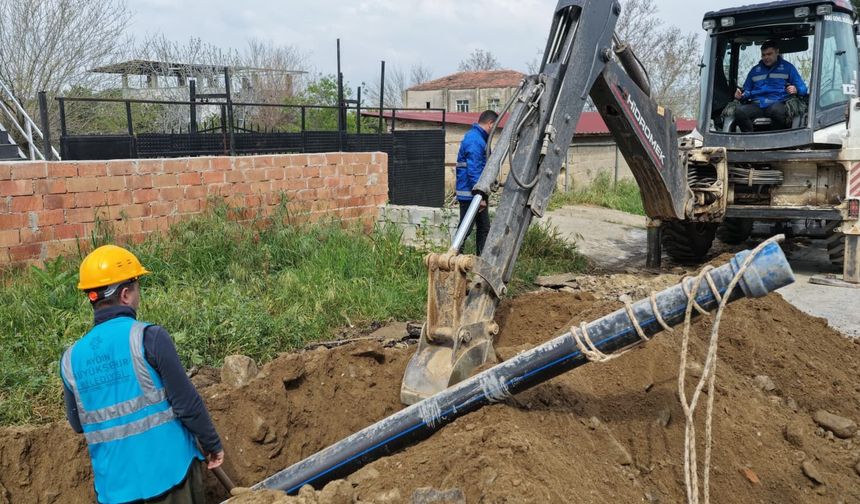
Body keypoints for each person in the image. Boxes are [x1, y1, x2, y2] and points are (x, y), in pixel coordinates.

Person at [60, 245, 224, 504]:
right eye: (137, 288)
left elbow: (78, 424)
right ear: (125, 294)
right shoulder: (148, 337)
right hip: (171, 479)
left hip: (115, 490)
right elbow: (186, 404)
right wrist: (212, 444)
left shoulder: (70, 359)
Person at [733, 40, 808, 131]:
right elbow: (747, 90)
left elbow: (803, 88)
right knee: (739, 111)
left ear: (777, 52)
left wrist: (796, 89)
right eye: (763, 55)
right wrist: (741, 95)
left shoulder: (788, 68)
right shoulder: (754, 70)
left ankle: (775, 139)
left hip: (777, 103)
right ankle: (750, 138)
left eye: (769, 54)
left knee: (777, 111)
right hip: (757, 105)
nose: (766, 57)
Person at [455, 109, 499, 255]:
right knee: (465, 229)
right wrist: (478, 195)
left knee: (483, 228)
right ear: (490, 124)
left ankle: (479, 261)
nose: (495, 131)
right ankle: (453, 259)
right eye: (495, 126)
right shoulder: (475, 140)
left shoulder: (479, 138)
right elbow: (474, 169)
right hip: (471, 194)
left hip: (476, 193)